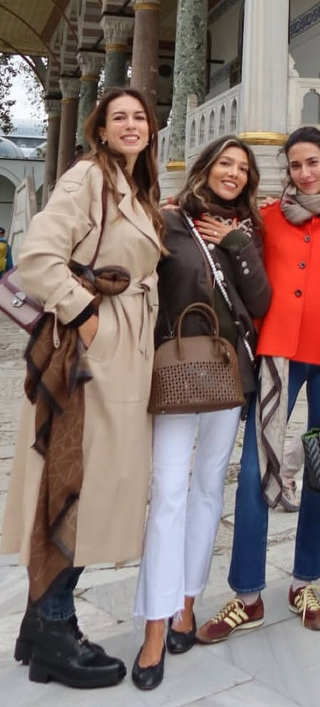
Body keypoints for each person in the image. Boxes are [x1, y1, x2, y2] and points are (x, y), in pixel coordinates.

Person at [1, 87, 165, 687]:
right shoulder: (88, 177)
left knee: (81, 484)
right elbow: (36, 257)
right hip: (92, 359)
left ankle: (35, 628)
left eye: (139, 117)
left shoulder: (134, 187)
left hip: (122, 354)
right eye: (119, 117)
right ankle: (57, 630)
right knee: (77, 489)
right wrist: (87, 317)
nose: (131, 124)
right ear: (100, 129)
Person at [196, 126, 320, 638]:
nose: (304, 173)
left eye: (312, 163)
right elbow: (229, 238)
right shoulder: (268, 219)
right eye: (295, 165)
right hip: (276, 355)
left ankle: (305, 582)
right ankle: (247, 594)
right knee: (255, 469)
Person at [130, 136, 271, 690]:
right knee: (168, 492)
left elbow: (260, 303)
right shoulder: (168, 222)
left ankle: (187, 602)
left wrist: (237, 243)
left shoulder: (248, 231)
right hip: (174, 370)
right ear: (205, 167)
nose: (233, 173)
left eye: (243, 168)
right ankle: (154, 625)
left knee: (209, 488)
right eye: (225, 164)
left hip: (228, 373)